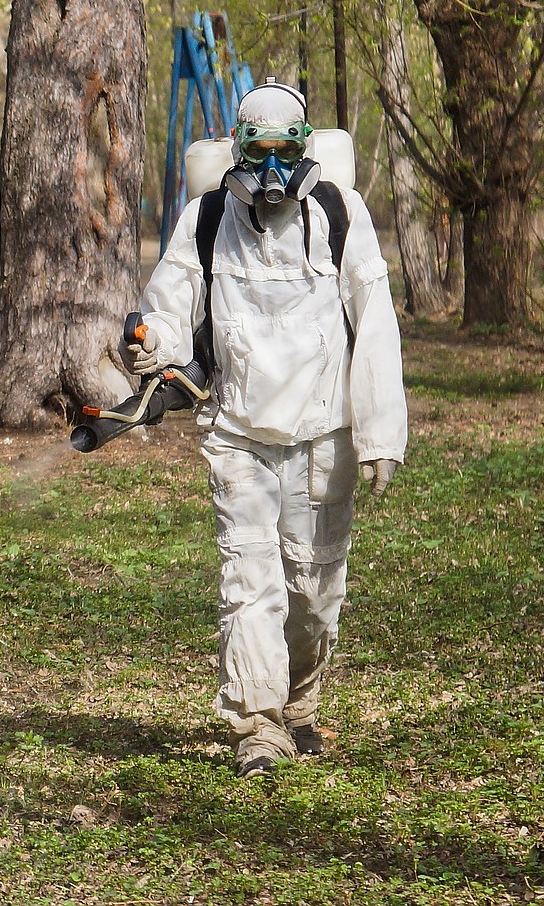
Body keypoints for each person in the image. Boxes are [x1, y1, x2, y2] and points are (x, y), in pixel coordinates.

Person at [128, 82, 407, 779]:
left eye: (289, 153)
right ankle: (258, 723)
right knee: (251, 584)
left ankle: (301, 702)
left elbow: (374, 322)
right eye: (262, 154)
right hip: (239, 433)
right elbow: (170, 303)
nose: (275, 172)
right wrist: (149, 340)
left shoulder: (341, 214)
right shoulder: (206, 217)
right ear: (240, 153)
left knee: (312, 598)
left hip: (323, 436)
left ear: (306, 149)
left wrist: (379, 433)